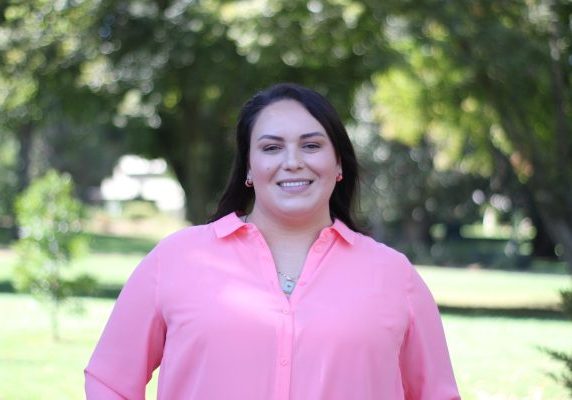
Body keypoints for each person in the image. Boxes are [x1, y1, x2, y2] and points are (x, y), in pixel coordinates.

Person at [85, 83, 460, 399]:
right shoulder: (176, 259)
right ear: (249, 167)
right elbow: (109, 381)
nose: (293, 161)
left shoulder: (394, 276)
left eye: (311, 146)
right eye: (271, 147)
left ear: (339, 163)